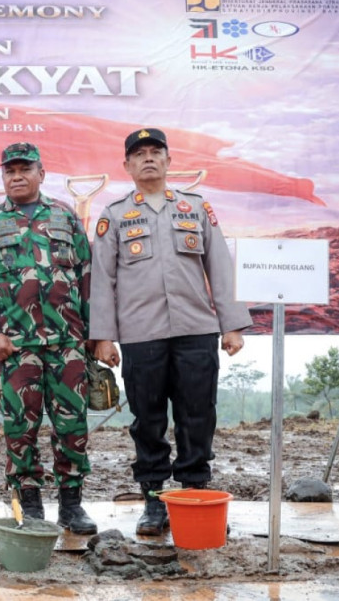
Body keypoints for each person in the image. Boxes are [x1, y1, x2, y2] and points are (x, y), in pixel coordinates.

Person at [89, 128, 252, 536]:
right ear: (126, 165)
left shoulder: (196, 208)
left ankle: (195, 491)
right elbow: (102, 281)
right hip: (141, 334)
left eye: (155, 152)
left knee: (198, 414)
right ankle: (153, 499)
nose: (148, 159)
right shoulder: (114, 215)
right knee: (148, 419)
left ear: (168, 161)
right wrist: (103, 337)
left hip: (196, 328)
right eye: (139, 154)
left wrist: (230, 324)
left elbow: (220, 266)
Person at [0, 143, 98, 536]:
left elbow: (86, 275)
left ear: (42, 173)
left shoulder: (64, 217)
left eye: (25, 169)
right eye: (10, 171)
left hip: (67, 342)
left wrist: (95, 335)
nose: (17, 176)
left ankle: (72, 504)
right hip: (15, 346)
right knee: (19, 426)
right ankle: (30, 503)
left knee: (72, 424)